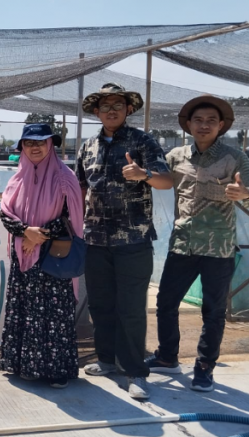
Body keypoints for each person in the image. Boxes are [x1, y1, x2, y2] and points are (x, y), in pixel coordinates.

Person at [147, 96, 249, 392]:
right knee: (165, 303)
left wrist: (245, 194)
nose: (204, 125)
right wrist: (141, 174)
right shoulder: (175, 156)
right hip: (182, 245)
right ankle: (167, 357)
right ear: (188, 125)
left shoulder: (235, 157)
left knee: (213, 312)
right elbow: (158, 179)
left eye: (211, 120)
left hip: (218, 248)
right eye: (198, 120)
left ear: (221, 125)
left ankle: (204, 367)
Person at [75, 83, 173, 400]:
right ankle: (106, 360)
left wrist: (144, 174)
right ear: (96, 112)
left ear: (128, 109)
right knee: (101, 305)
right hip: (95, 239)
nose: (112, 110)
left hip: (133, 240)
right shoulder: (87, 147)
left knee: (130, 309)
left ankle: (135, 372)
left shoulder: (143, 141)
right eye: (105, 106)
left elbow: (166, 181)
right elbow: (78, 188)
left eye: (118, 105)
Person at [0, 123, 84, 389]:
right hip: (24, 257)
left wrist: (37, 236)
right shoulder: (17, 179)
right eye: (29, 143)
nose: (35, 147)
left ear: (50, 145)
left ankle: (57, 370)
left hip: (53, 257)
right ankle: (27, 366)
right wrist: (25, 231)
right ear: (22, 147)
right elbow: (5, 213)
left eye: (41, 142)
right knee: (26, 311)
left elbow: (71, 219)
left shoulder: (64, 177)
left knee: (54, 314)